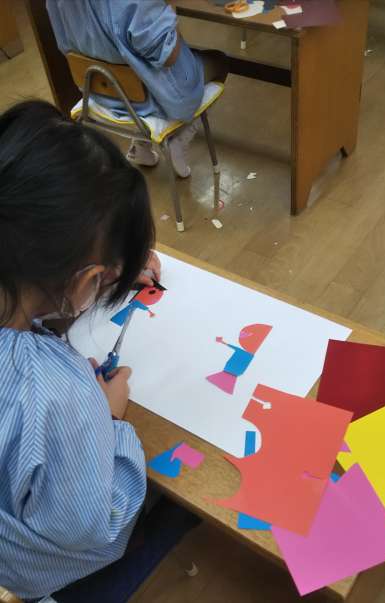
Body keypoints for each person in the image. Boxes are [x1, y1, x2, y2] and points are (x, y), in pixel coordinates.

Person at [0, 100, 197, 602]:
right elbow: (96, 528)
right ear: (85, 277)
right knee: (177, 502)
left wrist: (112, 270)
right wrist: (108, 423)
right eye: (102, 277)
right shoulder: (58, 394)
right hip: (34, 569)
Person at [46, 0, 228, 178]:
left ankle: (141, 146)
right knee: (220, 61)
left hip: (96, 92)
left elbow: (64, 44)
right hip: (153, 99)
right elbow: (168, 57)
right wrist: (169, 7)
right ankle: (180, 137)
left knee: (131, 53)